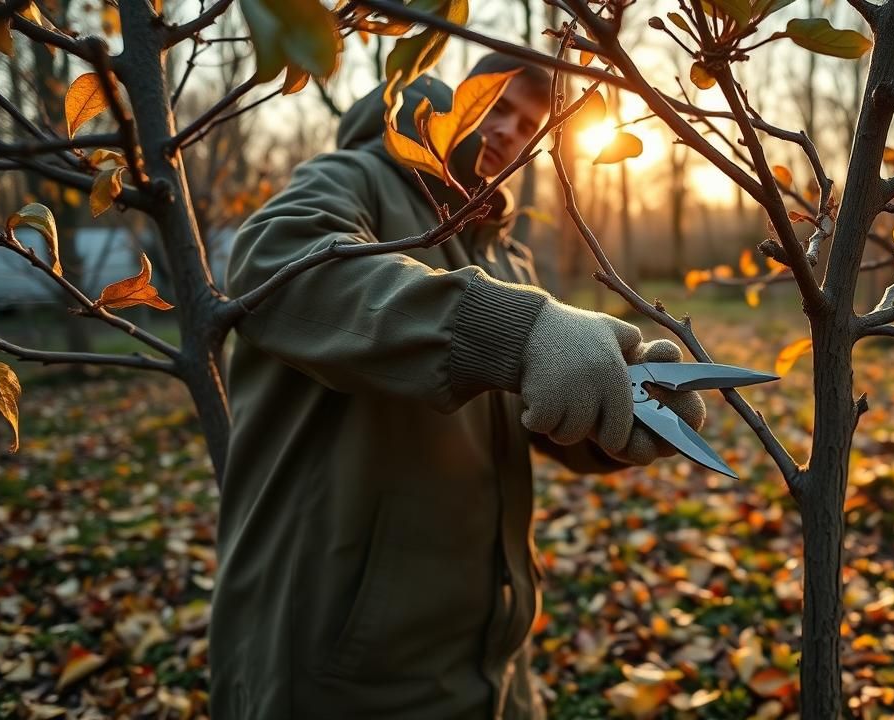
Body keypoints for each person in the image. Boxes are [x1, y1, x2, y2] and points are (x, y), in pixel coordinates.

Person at [208, 53, 706, 719]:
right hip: (344, 665)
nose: (507, 129)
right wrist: (514, 330)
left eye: (528, 123)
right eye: (495, 105)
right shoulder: (356, 178)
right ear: (444, 101)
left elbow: (526, 411)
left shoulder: (505, 255)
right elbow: (278, 264)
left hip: (489, 660)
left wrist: (613, 421)